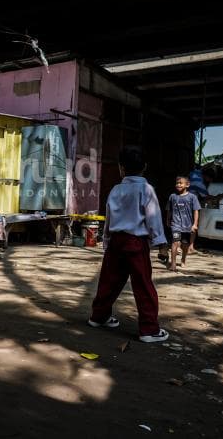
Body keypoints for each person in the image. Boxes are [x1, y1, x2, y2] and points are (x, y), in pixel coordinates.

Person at [87, 145, 169, 343]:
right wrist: (161, 243)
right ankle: (148, 329)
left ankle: (98, 317)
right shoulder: (146, 189)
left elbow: (109, 218)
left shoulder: (116, 190)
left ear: (121, 168)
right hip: (136, 243)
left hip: (116, 241)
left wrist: (106, 241)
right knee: (143, 285)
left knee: (109, 281)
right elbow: (153, 218)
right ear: (145, 167)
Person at [166, 176, 201, 271]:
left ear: (187, 185)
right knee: (175, 242)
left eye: (181, 183)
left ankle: (183, 259)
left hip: (187, 226)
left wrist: (195, 224)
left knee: (185, 245)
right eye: (177, 183)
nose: (178, 185)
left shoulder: (192, 197)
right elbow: (169, 209)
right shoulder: (172, 196)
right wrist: (168, 219)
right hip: (175, 224)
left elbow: (196, 211)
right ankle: (173, 264)